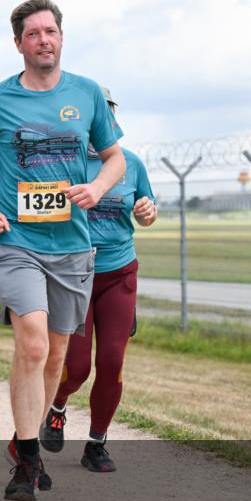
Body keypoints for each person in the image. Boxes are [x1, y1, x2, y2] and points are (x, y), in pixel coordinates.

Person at [0, 0, 126, 501]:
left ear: (60, 37)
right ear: (19, 44)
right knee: (31, 343)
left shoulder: (88, 94)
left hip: (73, 245)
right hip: (16, 240)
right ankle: (28, 462)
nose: (43, 40)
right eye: (33, 34)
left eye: (50, 31)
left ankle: (21, 436)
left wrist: (96, 189)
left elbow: (114, 157)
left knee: (55, 355)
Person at [39, 88, 157, 472]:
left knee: (111, 361)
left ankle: (96, 443)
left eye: (104, 116)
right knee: (76, 365)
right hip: (73, 274)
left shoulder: (130, 163)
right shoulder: (62, 163)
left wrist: (146, 211)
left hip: (119, 272)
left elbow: (146, 213)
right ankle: (56, 408)